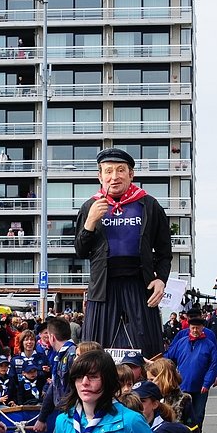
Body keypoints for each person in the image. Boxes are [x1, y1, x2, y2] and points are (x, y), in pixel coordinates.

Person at [75, 148, 172, 357]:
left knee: (149, 353)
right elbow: (81, 251)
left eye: (120, 170)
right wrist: (90, 222)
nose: (114, 177)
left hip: (140, 285)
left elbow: (165, 252)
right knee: (94, 354)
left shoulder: (149, 205)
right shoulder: (89, 206)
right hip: (102, 288)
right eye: (108, 171)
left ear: (131, 174)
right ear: (100, 176)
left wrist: (161, 279)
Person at [163, 314, 217, 431]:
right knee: (181, 411)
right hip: (183, 385)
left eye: (197, 328)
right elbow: (168, 358)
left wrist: (207, 383)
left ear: (202, 328)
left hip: (201, 386)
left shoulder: (209, 345)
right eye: (193, 328)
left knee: (198, 412)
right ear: (189, 328)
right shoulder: (181, 342)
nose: (195, 330)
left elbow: (213, 366)